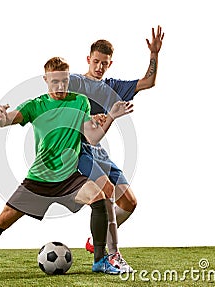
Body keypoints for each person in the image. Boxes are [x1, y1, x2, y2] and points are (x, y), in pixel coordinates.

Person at [0, 57, 134, 275]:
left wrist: (112, 117)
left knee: (99, 196)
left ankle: (99, 261)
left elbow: (92, 137)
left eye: (64, 81)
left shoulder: (80, 102)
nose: (60, 87)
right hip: (40, 179)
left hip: (69, 177)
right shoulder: (36, 105)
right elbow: (7, 120)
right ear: (45, 79)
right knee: (3, 220)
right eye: (55, 82)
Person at [69, 25, 165, 272]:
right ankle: (112, 255)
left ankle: (96, 240)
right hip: (78, 149)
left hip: (99, 151)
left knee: (130, 203)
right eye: (96, 62)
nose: (99, 67)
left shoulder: (112, 86)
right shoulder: (76, 83)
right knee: (108, 192)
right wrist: (89, 118)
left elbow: (148, 82)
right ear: (89, 59)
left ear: (110, 64)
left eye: (105, 63)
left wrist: (154, 54)